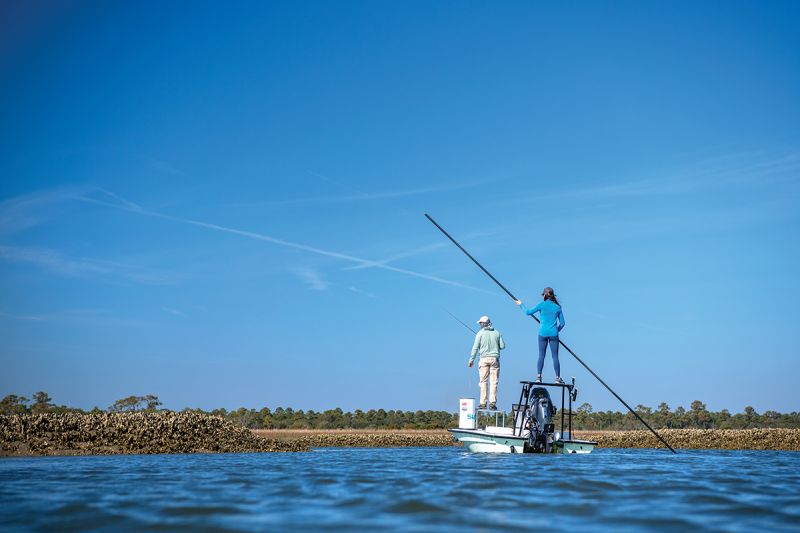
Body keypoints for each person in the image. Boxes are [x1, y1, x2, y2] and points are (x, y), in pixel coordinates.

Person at [515, 287, 565, 384]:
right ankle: (558, 378)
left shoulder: (541, 305)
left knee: (541, 355)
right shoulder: (557, 307)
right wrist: (556, 330)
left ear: (545, 295)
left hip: (542, 333)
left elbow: (528, 312)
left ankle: (539, 377)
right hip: (554, 334)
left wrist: (520, 304)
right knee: (555, 357)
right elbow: (562, 323)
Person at [468, 315, 505, 410]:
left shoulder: (479, 334)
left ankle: (483, 403)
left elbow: (475, 347)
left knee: (483, 381)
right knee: (494, 382)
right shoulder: (497, 333)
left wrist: (471, 359)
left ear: (483, 324)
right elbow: (502, 346)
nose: (480, 324)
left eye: (480, 323)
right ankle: (492, 403)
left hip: (483, 359)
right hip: (494, 359)